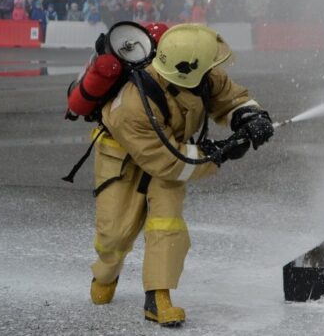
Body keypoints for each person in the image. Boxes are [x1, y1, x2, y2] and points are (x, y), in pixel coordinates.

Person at [88, 24, 274, 327]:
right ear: (187, 69)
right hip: (123, 157)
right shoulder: (133, 106)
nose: (216, 70)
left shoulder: (200, 76)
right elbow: (170, 162)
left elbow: (231, 97)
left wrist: (250, 116)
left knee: (167, 222)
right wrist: (220, 153)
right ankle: (106, 272)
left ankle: (158, 297)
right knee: (115, 234)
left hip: (171, 151)